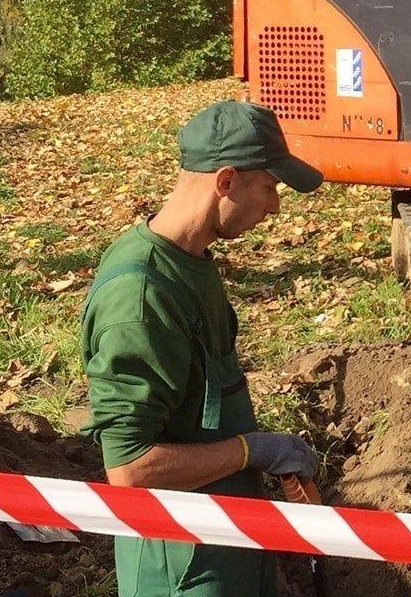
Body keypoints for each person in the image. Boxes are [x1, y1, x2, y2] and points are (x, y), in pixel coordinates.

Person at [80, 100, 324, 597]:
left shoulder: (191, 261)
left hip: (228, 545)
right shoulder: (141, 297)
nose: (275, 206)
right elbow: (129, 469)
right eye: (270, 187)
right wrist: (251, 450)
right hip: (184, 569)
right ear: (226, 182)